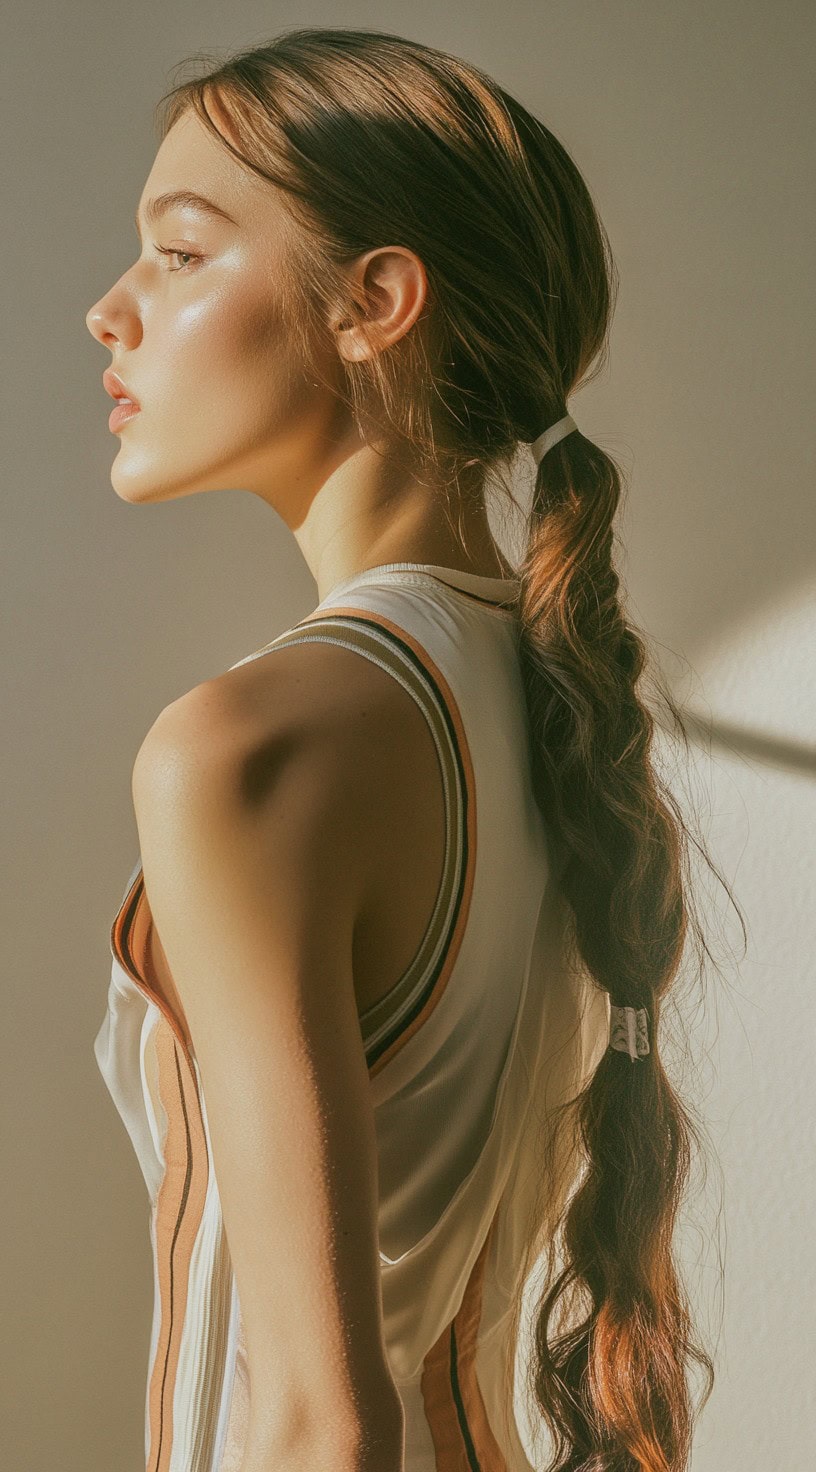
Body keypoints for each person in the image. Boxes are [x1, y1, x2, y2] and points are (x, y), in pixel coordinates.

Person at [86, 27, 731, 1472]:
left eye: (180, 254)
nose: (106, 312)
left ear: (374, 303)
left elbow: (323, 1420)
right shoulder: (557, 700)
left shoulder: (243, 753)